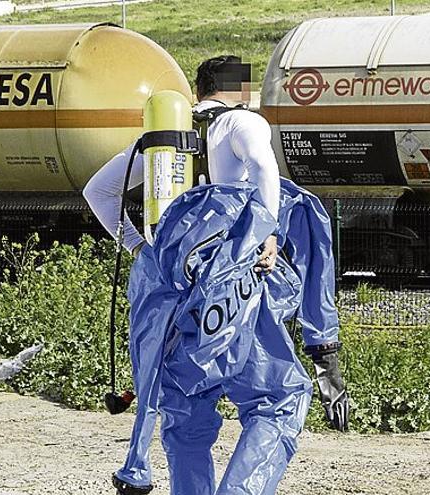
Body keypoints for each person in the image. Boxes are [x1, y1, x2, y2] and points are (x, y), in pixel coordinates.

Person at [83, 55, 348, 495]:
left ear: (198, 90)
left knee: (186, 421)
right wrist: (266, 234)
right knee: (278, 400)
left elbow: (98, 191)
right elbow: (265, 169)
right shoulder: (243, 124)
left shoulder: (161, 141)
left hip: (172, 300)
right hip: (235, 295)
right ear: (239, 91)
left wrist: (137, 246)